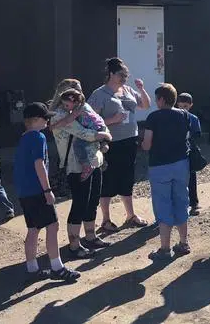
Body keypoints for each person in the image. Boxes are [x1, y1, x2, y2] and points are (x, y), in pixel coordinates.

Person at [15, 102, 80, 282]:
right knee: (52, 225)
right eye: (45, 118)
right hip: (37, 190)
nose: (48, 120)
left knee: (33, 228)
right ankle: (57, 267)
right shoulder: (38, 137)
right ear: (36, 120)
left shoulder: (23, 138)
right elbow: (39, 164)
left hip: (24, 192)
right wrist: (47, 190)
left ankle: (32, 268)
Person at [49, 79, 114, 258]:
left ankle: (90, 236)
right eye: (74, 91)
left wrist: (104, 136)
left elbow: (98, 121)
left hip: (95, 160)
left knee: (92, 200)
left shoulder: (83, 107)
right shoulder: (58, 114)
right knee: (79, 203)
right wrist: (103, 135)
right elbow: (83, 133)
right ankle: (74, 244)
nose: (78, 95)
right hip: (76, 164)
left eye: (79, 91)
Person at [87, 57, 151, 232]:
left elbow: (145, 105)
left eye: (126, 75)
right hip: (110, 143)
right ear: (110, 74)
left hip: (129, 140)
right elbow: (90, 121)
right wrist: (112, 120)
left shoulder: (128, 90)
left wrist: (141, 89)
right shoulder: (100, 94)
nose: (124, 78)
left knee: (127, 177)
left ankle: (130, 215)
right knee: (108, 178)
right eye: (121, 75)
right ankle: (106, 219)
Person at [142, 83, 192, 261]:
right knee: (181, 200)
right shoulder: (184, 115)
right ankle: (184, 242)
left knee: (163, 204)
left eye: (157, 99)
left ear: (162, 99)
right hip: (181, 163)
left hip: (160, 165)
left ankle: (165, 248)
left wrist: (142, 144)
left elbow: (147, 144)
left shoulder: (153, 117)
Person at [56, 89, 110, 179]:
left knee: (78, 145)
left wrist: (55, 125)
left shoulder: (78, 109)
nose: (65, 107)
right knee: (94, 146)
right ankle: (102, 156)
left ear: (75, 102)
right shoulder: (85, 105)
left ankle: (86, 166)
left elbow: (68, 120)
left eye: (67, 105)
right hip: (100, 127)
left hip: (94, 129)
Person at [176, 92, 203, 216]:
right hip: (177, 151)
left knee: (191, 177)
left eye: (186, 106)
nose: (183, 109)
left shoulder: (193, 118)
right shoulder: (173, 116)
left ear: (191, 105)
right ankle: (178, 203)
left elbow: (197, 134)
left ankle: (194, 203)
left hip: (190, 150)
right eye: (181, 106)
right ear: (177, 104)